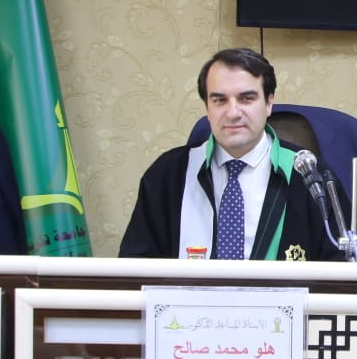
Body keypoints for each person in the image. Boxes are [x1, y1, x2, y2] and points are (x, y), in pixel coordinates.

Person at [119, 47, 340, 260]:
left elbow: (341, 270)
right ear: (207, 108)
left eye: (246, 98)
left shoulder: (311, 177)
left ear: (269, 103)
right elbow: (135, 268)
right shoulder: (168, 175)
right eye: (219, 100)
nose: (233, 113)